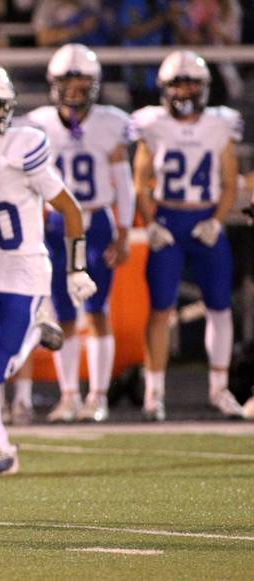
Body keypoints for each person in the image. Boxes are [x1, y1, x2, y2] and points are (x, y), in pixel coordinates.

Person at [0, 62, 93, 476]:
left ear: (5, 111)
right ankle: (2, 452)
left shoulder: (22, 149)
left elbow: (70, 208)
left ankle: (39, 327)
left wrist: (76, 268)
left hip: (25, 273)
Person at [24, 44, 135, 423]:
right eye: (67, 79)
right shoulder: (38, 123)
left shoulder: (110, 122)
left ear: (95, 83)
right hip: (56, 224)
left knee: (98, 310)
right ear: (54, 83)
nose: (74, 87)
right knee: (64, 312)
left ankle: (98, 396)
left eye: (81, 79)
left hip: (97, 220)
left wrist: (123, 233)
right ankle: (69, 395)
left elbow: (125, 182)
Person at [131, 50, 243, 420]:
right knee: (160, 308)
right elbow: (140, 183)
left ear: (205, 87)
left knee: (219, 307)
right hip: (168, 221)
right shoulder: (153, 124)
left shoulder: (219, 125)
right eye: (178, 82)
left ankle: (219, 388)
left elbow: (229, 182)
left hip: (205, 221)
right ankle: (154, 392)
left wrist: (217, 220)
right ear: (164, 88)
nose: (185, 90)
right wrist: (150, 222)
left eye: (191, 82)